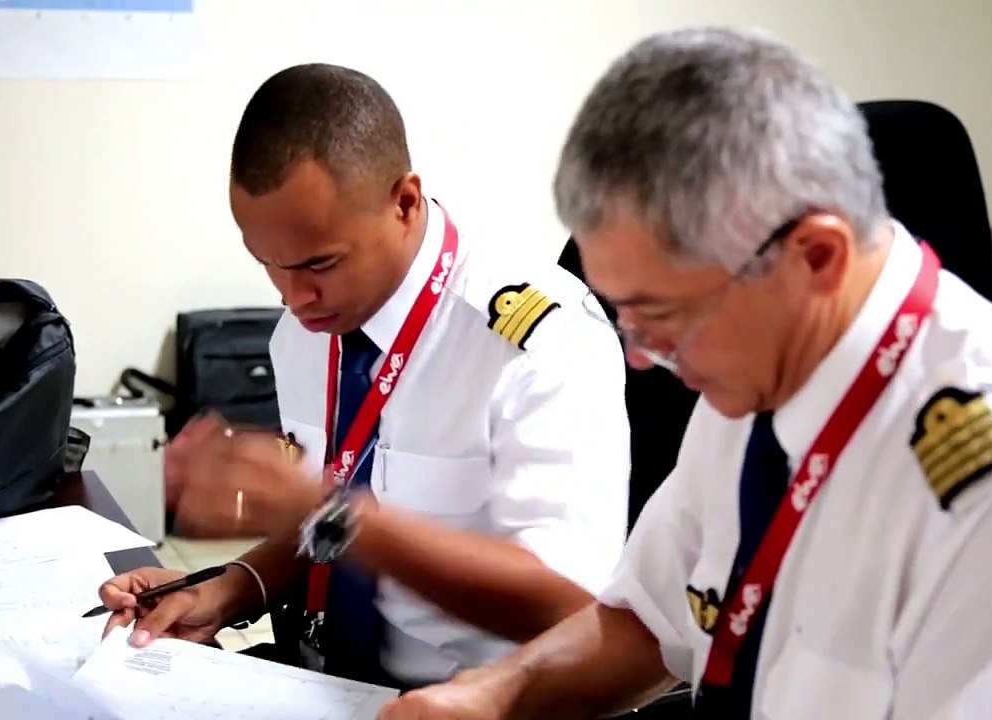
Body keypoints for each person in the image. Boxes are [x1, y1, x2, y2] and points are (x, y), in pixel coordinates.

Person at [377, 26, 992, 719]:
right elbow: (649, 618)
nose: (642, 357)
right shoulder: (760, 377)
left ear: (816, 257)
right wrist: (491, 695)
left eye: (662, 316)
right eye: (624, 318)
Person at [96, 63, 630, 690]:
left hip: (468, 699)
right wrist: (232, 586)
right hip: (319, 678)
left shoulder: (536, 342)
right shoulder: (307, 328)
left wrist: (335, 515)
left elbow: (567, 604)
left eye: (319, 262)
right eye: (268, 262)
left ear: (404, 202)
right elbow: (320, 530)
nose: (294, 297)